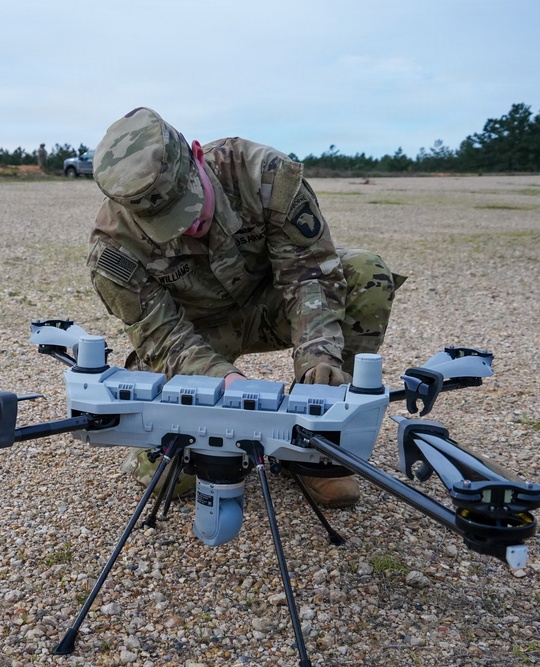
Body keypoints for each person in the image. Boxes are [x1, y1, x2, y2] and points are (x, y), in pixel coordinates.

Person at [86, 107, 404, 508]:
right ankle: (219, 442)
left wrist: (318, 360)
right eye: (165, 223)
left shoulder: (264, 175)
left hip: (272, 306)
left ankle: (318, 449)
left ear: (198, 156)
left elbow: (309, 275)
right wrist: (224, 385)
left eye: (188, 208)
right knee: (168, 474)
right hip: (196, 337)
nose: (186, 228)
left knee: (365, 272)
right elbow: (163, 338)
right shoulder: (114, 250)